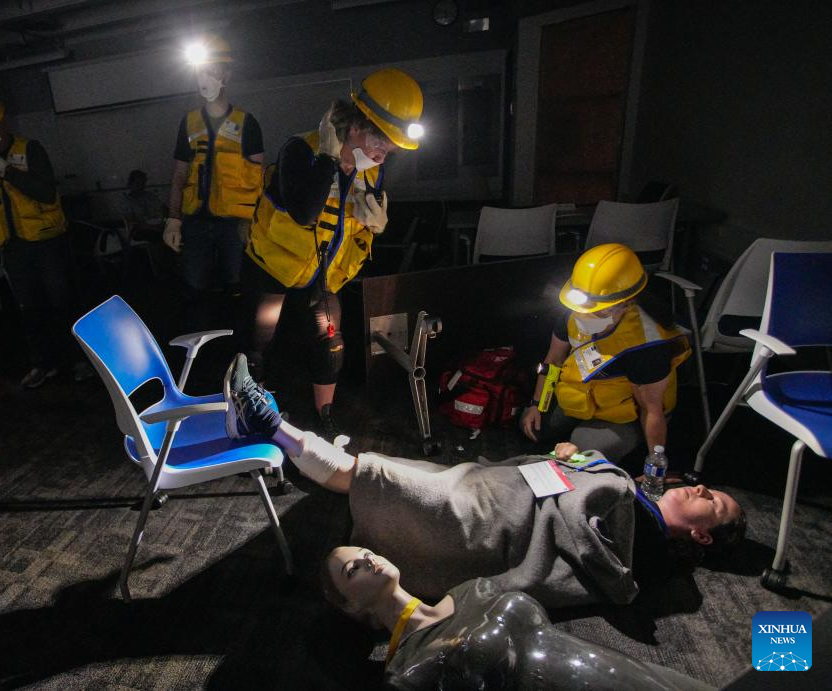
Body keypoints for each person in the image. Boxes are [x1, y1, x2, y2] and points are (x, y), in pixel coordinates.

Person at [224, 353, 746, 603]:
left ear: (700, 535)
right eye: (709, 487)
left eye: (714, 504)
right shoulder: (636, 493)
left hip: (505, 520)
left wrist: (581, 484)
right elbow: (583, 477)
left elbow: (589, 554)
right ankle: (272, 428)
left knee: (383, 478)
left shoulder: (648, 549)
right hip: (501, 485)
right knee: (405, 472)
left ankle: (269, 423)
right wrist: (570, 459)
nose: (700, 489)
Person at [240, 68, 424, 438]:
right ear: (357, 123)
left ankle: (325, 418)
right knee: (257, 344)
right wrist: (327, 159)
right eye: (382, 141)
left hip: (322, 273)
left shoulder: (371, 171)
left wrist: (377, 224)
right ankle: (247, 413)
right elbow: (305, 211)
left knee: (331, 343)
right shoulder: (301, 149)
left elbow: (358, 218)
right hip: (273, 264)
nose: (384, 153)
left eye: (390, 147)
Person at [322, 547, 713, 690]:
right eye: (352, 569)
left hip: (616, 666)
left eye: (364, 551)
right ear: (352, 607)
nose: (367, 559)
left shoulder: (468, 590)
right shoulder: (408, 672)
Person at [0, 87, 90, 388]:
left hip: (47, 243)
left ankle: (79, 360)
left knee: (62, 302)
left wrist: (6, 171)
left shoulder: (30, 150)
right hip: (12, 248)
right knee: (28, 308)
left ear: (1, 122)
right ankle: (42, 363)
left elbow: (45, 192)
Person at [520, 243, 691, 465]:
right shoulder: (572, 313)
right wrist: (536, 405)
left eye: (598, 310)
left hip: (622, 414)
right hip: (580, 396)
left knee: (582, 454)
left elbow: (651, 409)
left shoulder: (646, 345)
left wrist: (655, 461)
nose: (584, 316)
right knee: (533, 426)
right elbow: (553, 360)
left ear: (626, 303)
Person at [163, 36, 264, 330]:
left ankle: (241, 352)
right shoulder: (189, 122)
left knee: (238, 289)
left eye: (212, 71)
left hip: (235, 224)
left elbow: (258, 177)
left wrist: (253, 222)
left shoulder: (248, 123)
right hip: (195, 221)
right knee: (195, 289)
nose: (204, 78)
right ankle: (200, 353)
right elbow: (179, 174)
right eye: (199, 72)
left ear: (226, 76)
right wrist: (173, 219)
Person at [120, 169, 162, 241]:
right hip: (139, 231)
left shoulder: (149, 196)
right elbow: (132, 222)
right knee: (159, 236)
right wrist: (153, 227)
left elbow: (162, 208)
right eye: (137, 183)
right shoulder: (127, 201)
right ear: (131, 184)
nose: (141, 186)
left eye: (143, 183)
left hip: (155, 226)